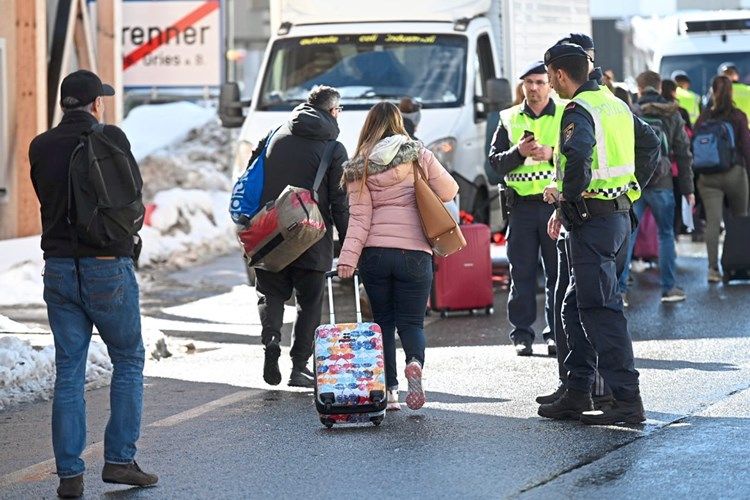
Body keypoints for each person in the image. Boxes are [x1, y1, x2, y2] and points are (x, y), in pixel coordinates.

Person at [28, 70, 157, 498]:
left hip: (60, 269)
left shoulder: (40, 146)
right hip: (106, 267)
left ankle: (69, 475)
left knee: (69, 371)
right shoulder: (110, 139)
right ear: (95, 104)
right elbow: (130, 198)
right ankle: (119, 461)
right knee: (128, 359)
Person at [538, 43, 660, 425]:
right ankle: (577, 393)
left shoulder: (578, 108)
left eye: (550, 77)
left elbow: (578, 157)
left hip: (594, 221)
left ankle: (627, 400)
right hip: (617, 217)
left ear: (559, 74)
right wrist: (627, 186)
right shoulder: (614, 102)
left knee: (600, 310)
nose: (551, 86)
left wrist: (566, 203)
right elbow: (652, 143)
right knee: (575, 307)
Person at [337, 102, 458, 411]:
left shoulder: (359, 167)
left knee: (384, 323)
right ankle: (414, 363)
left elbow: (359, 220)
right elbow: (449, 190)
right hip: (414, 252)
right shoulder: (417, 154)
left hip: (375, 255)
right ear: (398, 122)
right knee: (412, 323)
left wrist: (347, 259)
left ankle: (390, 392)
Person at [254, 85, 349, 388]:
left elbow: (251, 176)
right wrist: (348, 244)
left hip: (270, 228)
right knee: (309, 301)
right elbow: (339, 202)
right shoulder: (333, 148)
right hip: (312, 233)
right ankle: (299, 367)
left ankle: (270, 340)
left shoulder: (275, 134)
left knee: (271, 291)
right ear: (333, 111)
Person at [488, 61, 561, 356]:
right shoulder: (508, 118)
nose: (533, 88)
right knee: (522, 273)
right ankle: (522, 334)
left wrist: (552, 154)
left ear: (550, 85)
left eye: (539, 82)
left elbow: (584, 156)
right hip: (521, 209)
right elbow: (495, 163)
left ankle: (556, 333)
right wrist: (518, 152)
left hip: (554, 207)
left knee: (558, 273)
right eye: (528, 82)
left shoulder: (565, 113)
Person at [618, 71, 694, 304]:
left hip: (635, 182)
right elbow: (683, 153)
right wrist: (688, 189)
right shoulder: (672, 112)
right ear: (660, 86)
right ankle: (669, 289)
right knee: (666, 234)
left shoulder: (628, 111)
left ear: (639, 88)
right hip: (663, 182)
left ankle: (620, 290)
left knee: (627, 235)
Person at [694, 75, 750, 282]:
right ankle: (737, 264)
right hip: (734, 173)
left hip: (708, 177)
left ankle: (712, 270)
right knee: (740, 220)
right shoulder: (738, 116)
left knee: (713, 223)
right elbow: (746, 147)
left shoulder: (704, 117)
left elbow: (694, 144)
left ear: (712, 91)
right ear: (731, 92)